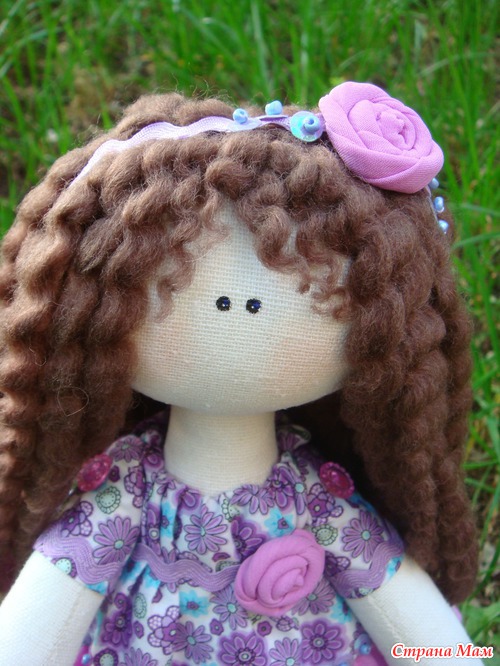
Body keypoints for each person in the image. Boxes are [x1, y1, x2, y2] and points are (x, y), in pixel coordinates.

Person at [0, 83, 480, 665]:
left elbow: (395, 599)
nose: (239, 310)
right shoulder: (129, 489)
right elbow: (45, 609)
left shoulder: (312, 495)